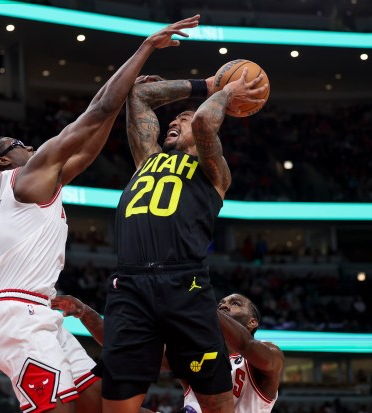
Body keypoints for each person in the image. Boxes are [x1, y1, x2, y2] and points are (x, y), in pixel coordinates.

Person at [0, 15, 202, 413]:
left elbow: (86, 147)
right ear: (2, 159)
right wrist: (145, 48)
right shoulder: (22, 180)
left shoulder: (28, 187)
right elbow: (94, 113)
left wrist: (121, 104)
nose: (29, 146)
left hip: (39, 313)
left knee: (101, 405)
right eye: (19, 143)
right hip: (18, 316)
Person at [100, 71, 268, 413]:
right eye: (174, 117)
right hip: (130, 283)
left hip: (184, 281)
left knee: (214, 401)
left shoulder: (214, 170)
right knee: (117, 400)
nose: (175, 119)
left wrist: (226, 91)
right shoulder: (147, 160)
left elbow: (206, 121)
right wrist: (205, 86)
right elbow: (138, 97)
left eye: (183, 118)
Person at [52, 292, 284, 413]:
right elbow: (126, 348)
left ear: (253, 321)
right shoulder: (195, 349)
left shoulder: (269, 353)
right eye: (221, 302)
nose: (223, 305)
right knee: (94, 404)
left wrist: (200, 302)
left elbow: (246, 345)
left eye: (235, 303)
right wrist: (84, 312)